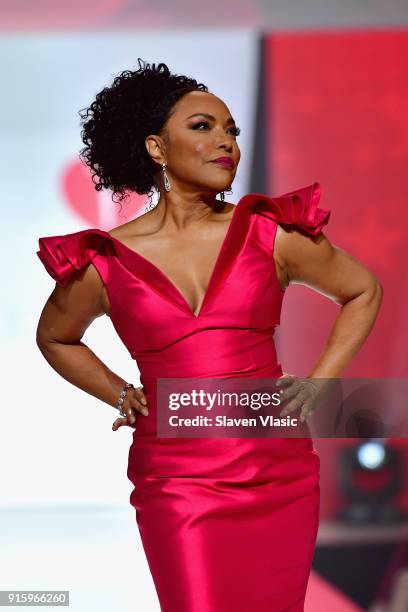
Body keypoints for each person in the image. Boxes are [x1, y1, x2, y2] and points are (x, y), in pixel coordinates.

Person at [35, 58, 383, 611]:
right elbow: (55, 337)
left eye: (231, 131)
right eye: (203, 127)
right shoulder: (105, 262)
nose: (226, 143)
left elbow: (363, 290)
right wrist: (121, 393)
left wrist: (318, 385)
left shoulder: (271, 233)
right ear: (156, 148)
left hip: (277, 472)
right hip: (177, 479)